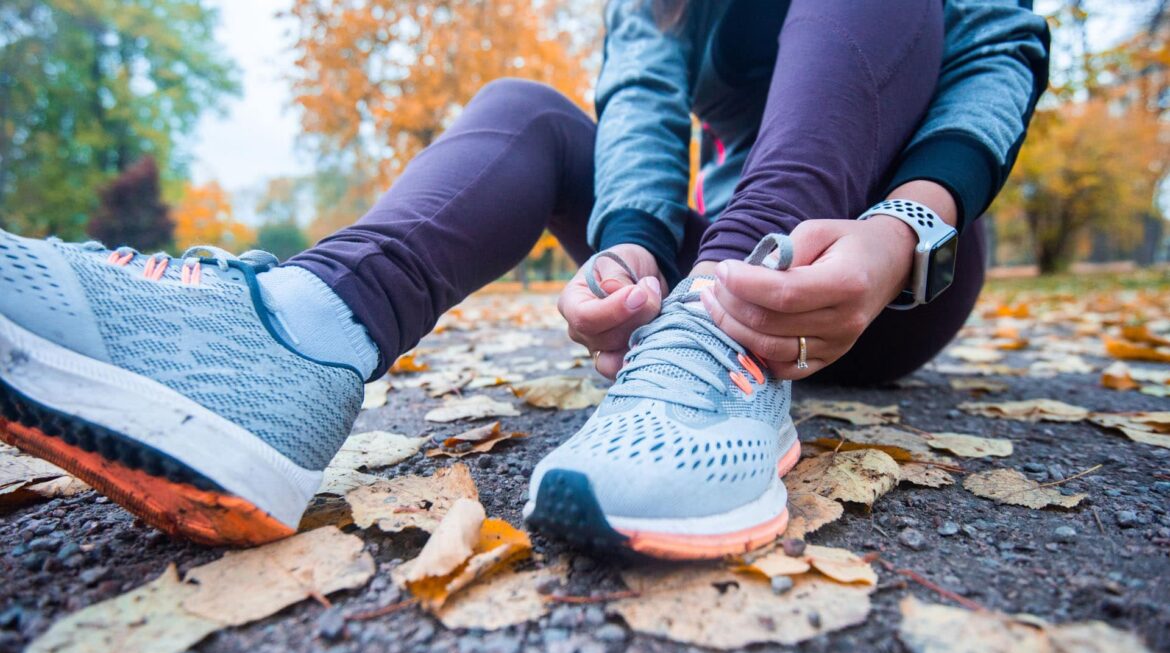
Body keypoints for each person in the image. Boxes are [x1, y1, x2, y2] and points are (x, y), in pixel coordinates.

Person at [0, 0, 1048, 558]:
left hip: (882, 253)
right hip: (713, 243)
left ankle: (733, 336)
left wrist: (911, 221)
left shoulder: (903, 231)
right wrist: (630, 244)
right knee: (525, 110)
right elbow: (638, 98)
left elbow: (1001, 42)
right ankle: (300, 333)